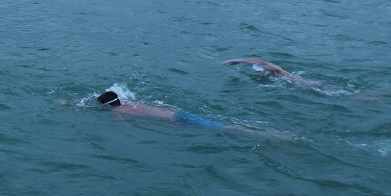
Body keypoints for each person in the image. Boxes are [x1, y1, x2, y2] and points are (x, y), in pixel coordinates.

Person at [96, 91, 228, 128]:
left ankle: (246, 132)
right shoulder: (128, 103)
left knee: (220, 128)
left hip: (176, 121)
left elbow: (126, 127)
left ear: (107, 105)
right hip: (177, 113)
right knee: (215, 124)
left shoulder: (117, 111)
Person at [223, 57, 317, 87]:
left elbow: (262, 62)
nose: (259, 72)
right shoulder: (265, 77)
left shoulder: (278, 71)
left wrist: (240, 60)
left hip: (306, 84)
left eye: (261, 70)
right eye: (258, 71)